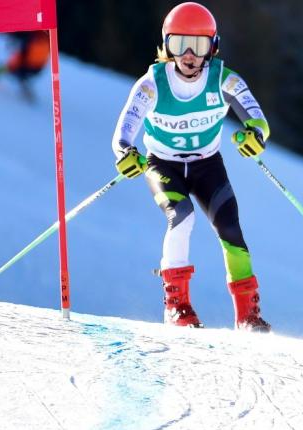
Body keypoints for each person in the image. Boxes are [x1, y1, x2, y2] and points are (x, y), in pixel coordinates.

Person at [111, 2, 271, 331]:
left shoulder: (224, 80)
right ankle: (177, 306)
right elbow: (123, 133)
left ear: (212, 47)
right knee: (181, 217)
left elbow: (259, 121)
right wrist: (126, 152)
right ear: (166, 45)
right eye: (178, 44)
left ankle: (248, 316)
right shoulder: (152, 84)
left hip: (206, 166)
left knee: (230, 229)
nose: (188, 55)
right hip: (162, 165)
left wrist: (254, 135)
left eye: (198, 45)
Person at [0, 31, 50, 102]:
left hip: (25, 67)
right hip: (36, 69)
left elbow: (19, 59)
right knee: (21, 77)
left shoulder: (31, 40)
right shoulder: (44, 38)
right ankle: (27, 92)